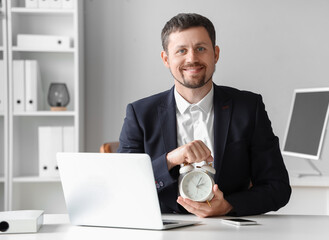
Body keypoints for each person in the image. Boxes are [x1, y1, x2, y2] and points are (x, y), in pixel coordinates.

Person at [118, 13, 291, 218]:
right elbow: (122, 186)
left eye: (201, 48)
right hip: (163, 230)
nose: (192, 58)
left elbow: (278, 188)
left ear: (215, 54)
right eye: (181, 50)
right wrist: (171, 160)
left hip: (228, 229)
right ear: (166, 59)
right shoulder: (139, 114)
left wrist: (228, 205)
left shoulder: (248, 108)